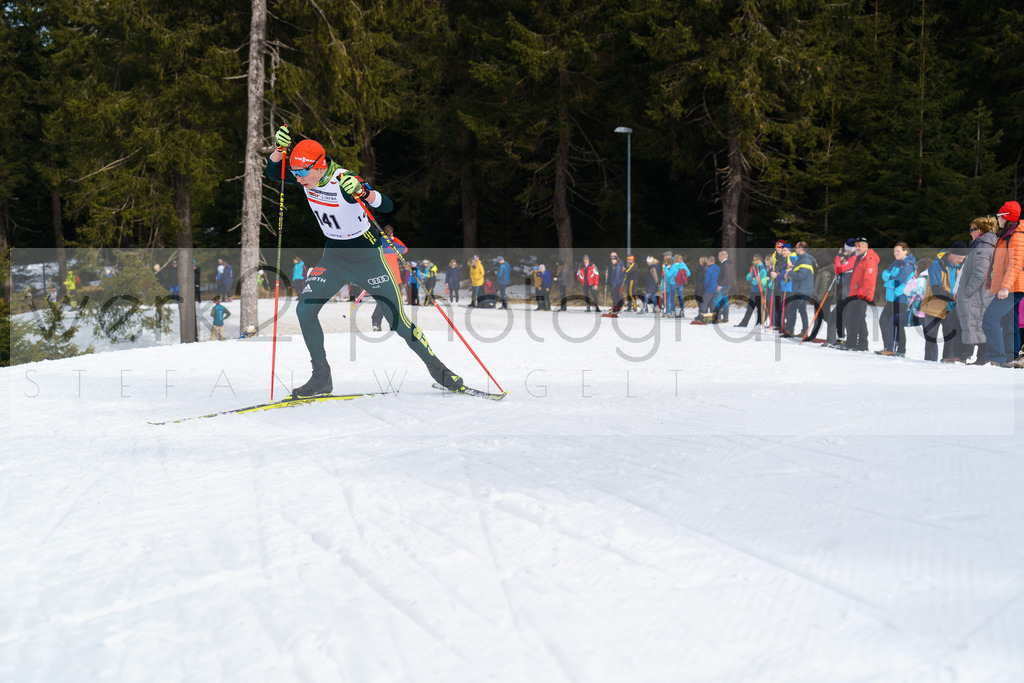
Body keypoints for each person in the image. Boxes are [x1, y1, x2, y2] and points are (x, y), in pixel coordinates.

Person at [265, 125, 464, 395]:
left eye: (302, 173)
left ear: (320, 166)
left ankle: (439, 370)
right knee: (304, 310)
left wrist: (364, 193)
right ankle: (322, 378)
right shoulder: (306, 176)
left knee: (397, 321)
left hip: (367, 256)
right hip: (334, 256)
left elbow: (387, 205)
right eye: (296, 173)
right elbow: (273, 172)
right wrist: (279, 150)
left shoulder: (343, 179)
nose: (298, 179)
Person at [982, 201, 1024, 366]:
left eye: (998, 216)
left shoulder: (1017, 235)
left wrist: (1005, 286)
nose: (996, 219)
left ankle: (996, 357)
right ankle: (1009, 357)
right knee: (1008, 322)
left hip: (1013, 286)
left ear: (1005, 218)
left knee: (990, 319)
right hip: (1010, 285)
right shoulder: (1008, 234)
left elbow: (1016, 263)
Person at [957, 217, 998, 363]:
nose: (970, 233)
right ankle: (981, 357)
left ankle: (965, 355)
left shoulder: (982, 247)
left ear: (978, 231)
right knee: (979, 323)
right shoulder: (988, 245)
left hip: (977, 293)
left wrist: (968, 291)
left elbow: (980, 273)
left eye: (971, 230)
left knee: (971, 322)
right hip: (985, 292)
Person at [921, 243, 966, 362]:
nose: (961, 261)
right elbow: (936, 289)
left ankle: (947, 361)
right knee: (931, 338)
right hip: (933, 307)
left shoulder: (958, 267)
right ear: (951, 254)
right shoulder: (936, 265)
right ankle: (930, 363)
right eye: (959, 258)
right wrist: (955, 298)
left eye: (963, 259)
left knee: (950, 338)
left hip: (950, 308)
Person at [877, 242, 916, 356]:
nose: (896, 253)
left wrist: (888, 281)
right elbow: (884, 273)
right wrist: (890, 278)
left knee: (897, 323)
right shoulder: (896, 263)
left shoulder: (908, 265)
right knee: (884, 320)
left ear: (906, 251)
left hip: (900, 298)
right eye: (894, 251)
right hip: (891, 298)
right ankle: (889, 346)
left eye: (898, 251)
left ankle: (898, 349)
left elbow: (897, 282)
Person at [843, 237, 879, 351]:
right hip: (854, 293)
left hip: (862, 294)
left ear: (866, 246)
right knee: (851, 317)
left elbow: (869, 280)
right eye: (856, 246)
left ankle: (863, 344)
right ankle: (851, 342)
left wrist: (862, 295)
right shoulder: (859, 257)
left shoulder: (870, 259)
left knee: (859, 318)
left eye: (860, 246)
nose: (857, 248)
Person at [372, 224, 407, 331]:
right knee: (395, 302)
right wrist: (394, 239)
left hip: (382, 277)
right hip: (394, 278)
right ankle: (393, 324)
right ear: (391, 234)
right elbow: (405, 249)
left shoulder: (377, 244)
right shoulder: (393, 245)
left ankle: (376, 322)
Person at [783, 243, 815, 337]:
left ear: (801, 248)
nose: (795, 249)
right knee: (799, 309)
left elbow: (801, 276)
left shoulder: (805, 260)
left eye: (797, 247)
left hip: (802, 289)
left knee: (794, 308)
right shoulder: (801, 259)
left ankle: (793, 331)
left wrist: (790, 273)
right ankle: (801, 331)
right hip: (800, 289)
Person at [737, 254, 768, 327]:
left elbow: (755, 281)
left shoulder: (762, 269)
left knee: (759, 308)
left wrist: (753, 279)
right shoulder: (754, 267)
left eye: (754, 260)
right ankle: (744, 323)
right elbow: (748, 277)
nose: (753, 261)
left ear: (758, 260)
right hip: (753, 291)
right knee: (749, 308)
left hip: (760, 291)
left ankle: (759, 323)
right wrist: (752, 278)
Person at [697, 255, 719, 324]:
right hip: (717, 288)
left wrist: (706, 287)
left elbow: (706, 280)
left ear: (709, 261)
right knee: (713, 304)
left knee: (703, 303)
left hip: (710, 288)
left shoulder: (709, 269)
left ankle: (702, 317)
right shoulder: (718, 268)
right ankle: (713, 318)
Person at [714, 249, 734, 323]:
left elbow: (726, 276)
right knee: (725, 301)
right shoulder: (725, 263)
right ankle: (725, 318)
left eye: (719, 255)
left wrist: (720, 285)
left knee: (716, 300)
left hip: (724, 285)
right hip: (725, 285)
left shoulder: (726, 264)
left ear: (722, 256)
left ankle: (718, 318)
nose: (718, 257)